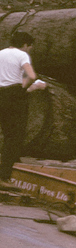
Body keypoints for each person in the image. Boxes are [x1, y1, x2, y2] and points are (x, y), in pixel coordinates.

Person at [0, 31, 47, 183]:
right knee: (15, 135)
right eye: (29, 47)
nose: (29, 50)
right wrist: (27, 87)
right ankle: (4, 175)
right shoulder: (22, 55)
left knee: (6, 130)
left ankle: (9, 162)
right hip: (14, 94)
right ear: (25, 45)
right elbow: (31, 75)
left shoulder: (1, 53)